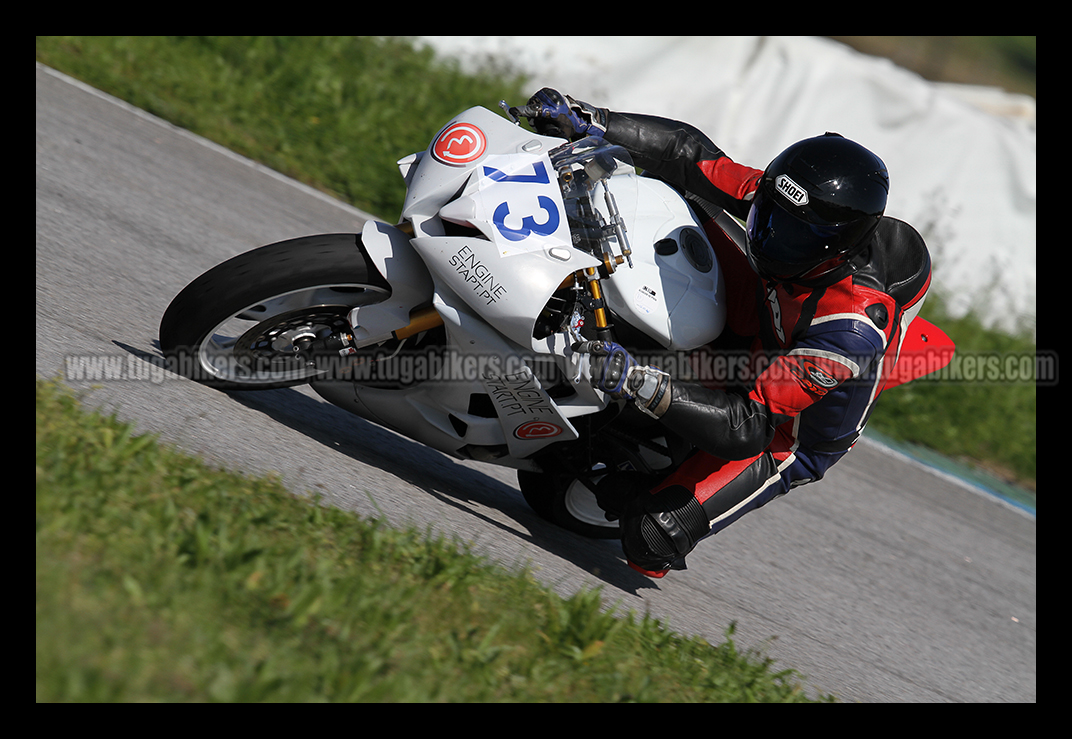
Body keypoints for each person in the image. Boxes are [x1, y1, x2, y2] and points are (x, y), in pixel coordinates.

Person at [516, 88, 933, 577]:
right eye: (768, 215)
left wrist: (636, 380)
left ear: (839, 248)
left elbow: (747, 425)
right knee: (676, 196)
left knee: (651, 535)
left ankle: (639, 473)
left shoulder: (849, 332)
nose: (770, 235)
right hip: (769, 310)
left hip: (782, 429)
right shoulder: (794, 204)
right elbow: (690, 156)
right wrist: (592, 120)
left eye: (792, 232)